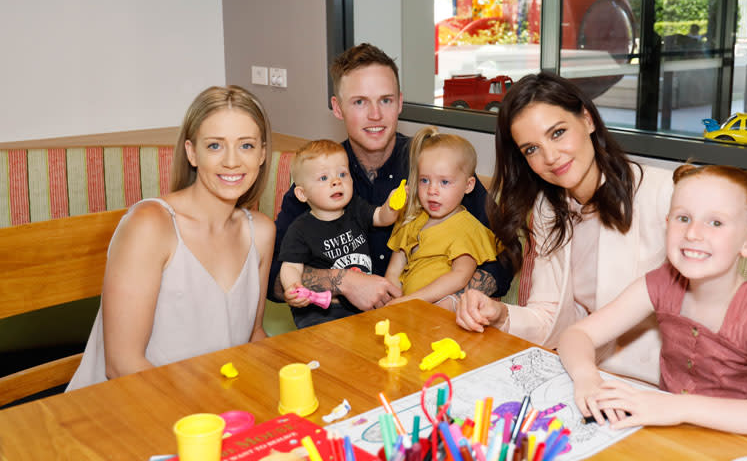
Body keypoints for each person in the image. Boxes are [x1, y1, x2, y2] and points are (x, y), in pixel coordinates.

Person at [455, 72, 747, 385]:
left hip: (670, 384)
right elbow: (549, 315)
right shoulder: (550, 209)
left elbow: (729, 294)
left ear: (588, 120)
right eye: (532, 148)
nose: (550, 157)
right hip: (587, 372)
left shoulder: (667, 196)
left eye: (559, 132)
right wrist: (501, 313)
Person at [557, 162, 747, 447]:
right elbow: (577, 335)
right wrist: (587, 378)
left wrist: (678, 407)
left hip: (744, 446)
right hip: (673, 440)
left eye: (716, 222)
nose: (693, 233)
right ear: (667, 224)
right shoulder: (660, 284)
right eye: (683, 218)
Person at [269, 43, 510, 311]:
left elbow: (507, 254)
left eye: (386, 100)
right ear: (337, 108)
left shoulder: (434, 165)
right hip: (335, 328)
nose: (375, 115)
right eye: (360, 102)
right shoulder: (320, 177)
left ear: (400, 103)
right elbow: (274, 275)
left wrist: (445, 299)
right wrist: (344, 282)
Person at [67, 86, 275, 390]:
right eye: (215, 146)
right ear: (192, 152)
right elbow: (121, 364)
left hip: (213, 406)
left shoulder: (261, 232)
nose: (232, 161)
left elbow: (253, 337)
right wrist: (204, 416)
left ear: (262, 154)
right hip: (124, 408)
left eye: (246, 146)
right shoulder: (151, 225)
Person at [277, 139, 402, 327]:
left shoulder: (356, 209)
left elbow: (381, 217)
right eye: (324, 178)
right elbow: (291, 266)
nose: (336, 182)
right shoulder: (300, 228)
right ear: (302, 194)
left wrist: (391, 206)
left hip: (360, 304)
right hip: (321, 310)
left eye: (342, 174)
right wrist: (293, 287)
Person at [385, 126, 498, 304]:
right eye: (424, 180)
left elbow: (459, 276)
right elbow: (393, 272)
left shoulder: (468, 228)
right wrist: (396, 303)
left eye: (444, 182)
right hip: (405, 312)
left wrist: (410, 301)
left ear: (468, 185)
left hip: (441, 315)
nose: (432, 191)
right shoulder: (410, 219)